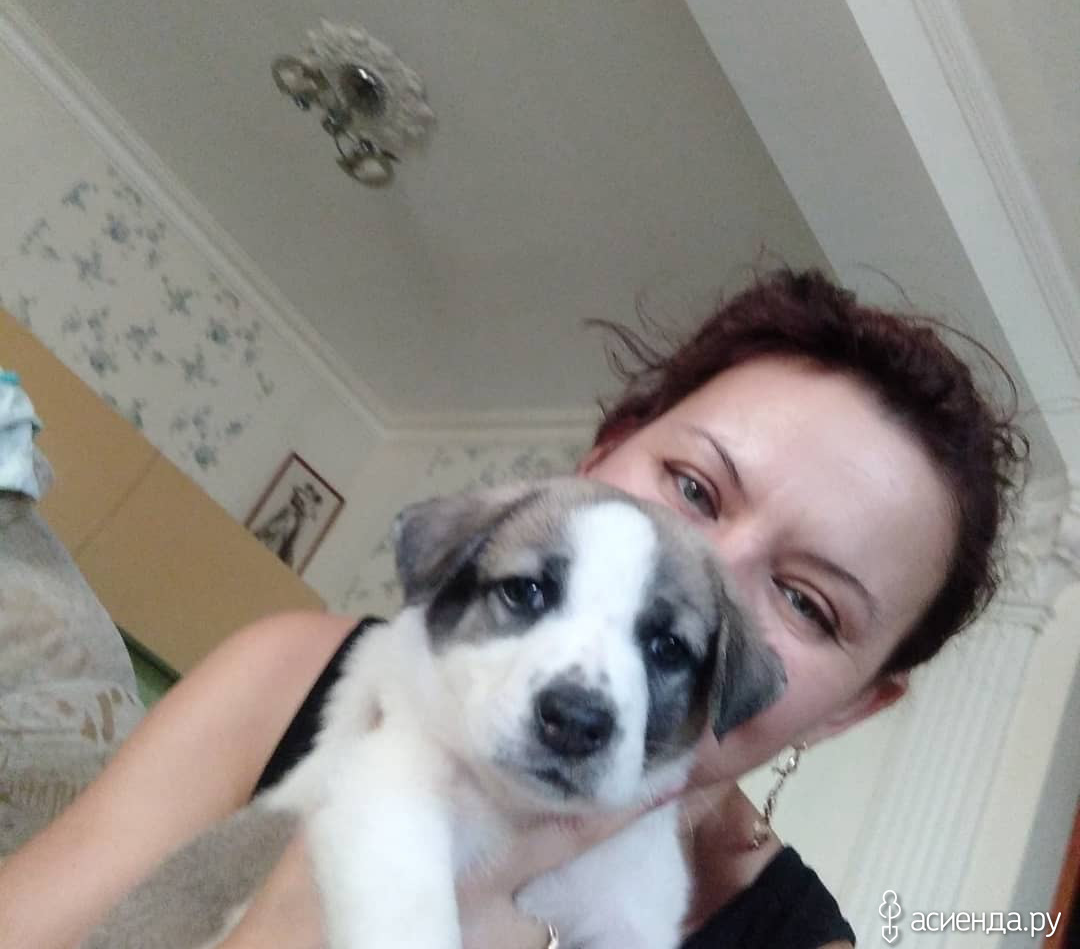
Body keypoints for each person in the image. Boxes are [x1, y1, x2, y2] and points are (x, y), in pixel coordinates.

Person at [0, 267, 1029, 949]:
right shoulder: (292, 672)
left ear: (852, 707)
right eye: (694, 487)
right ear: (596, 459)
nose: (697, 579)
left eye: (807, 601)